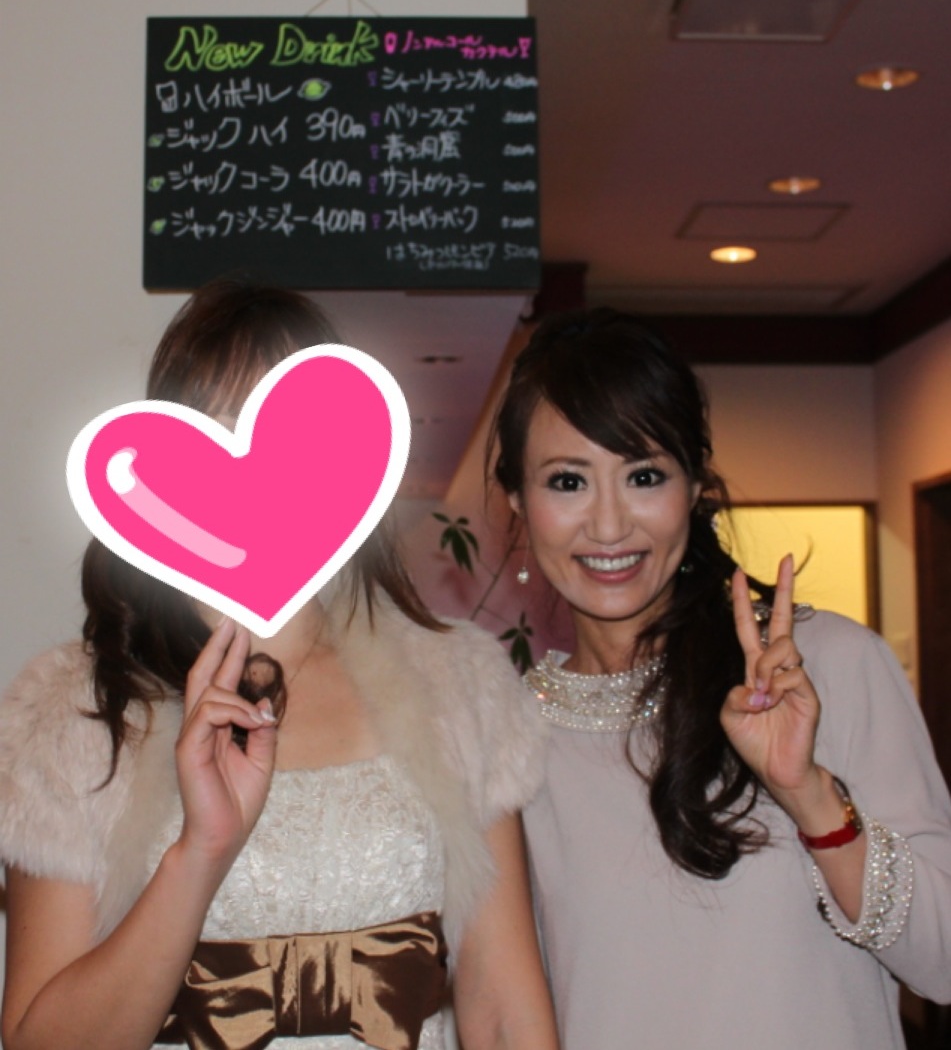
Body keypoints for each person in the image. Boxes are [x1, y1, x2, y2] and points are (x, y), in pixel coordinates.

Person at [0, 277, 559, 1050]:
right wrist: (199, 853)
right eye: (218, 429)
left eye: (283, 437)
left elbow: (504, 1012)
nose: (250, 471)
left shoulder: (456, 684)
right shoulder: (70, 716)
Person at [489, 306, 951, 1049]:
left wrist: (810, 796)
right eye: (567, 481)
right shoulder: (503, 738)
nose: (608, 526)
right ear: (517, 499)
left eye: (643, 476)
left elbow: (945, 963)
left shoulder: (826, 666)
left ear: (695, 484)